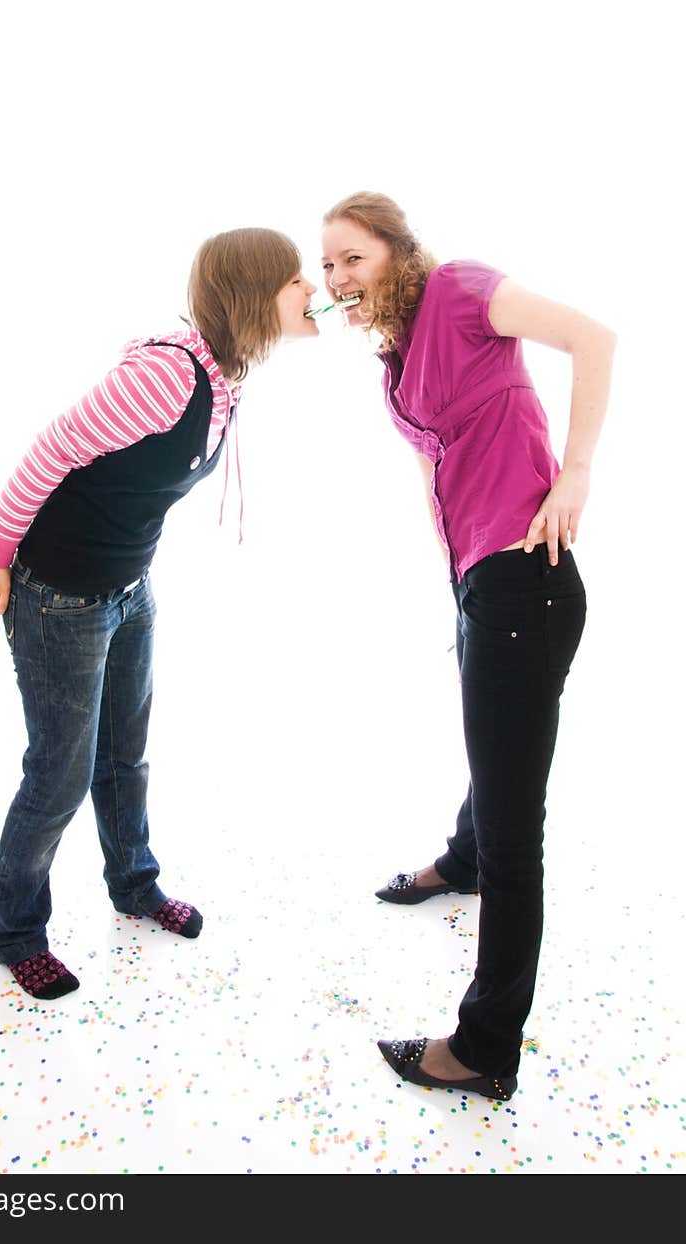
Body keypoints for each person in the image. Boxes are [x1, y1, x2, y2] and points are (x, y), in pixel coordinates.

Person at [0, 228, 318, 999]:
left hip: (128, 590)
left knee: (125, 755)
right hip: (59, 594)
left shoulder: (229, 373)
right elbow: (50, 450)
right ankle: (17, 931)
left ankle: (133, 884)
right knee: (58, 773)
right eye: (298, 280)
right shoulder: (167, 376)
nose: (314, 288)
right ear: (256, 294)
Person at [321, 192, 615, 1100]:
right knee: (494, 751)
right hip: (483, 580)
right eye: (326, 265)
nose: (337, 278)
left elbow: (594, 337)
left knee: (516, 828)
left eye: (352, 258)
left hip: (529, 578)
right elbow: (436, 466)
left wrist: (573, 475)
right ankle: (462, 857)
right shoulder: (393, 359)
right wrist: (456, 575)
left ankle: (485, 1049)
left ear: (396, 254)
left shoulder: (457, 290)